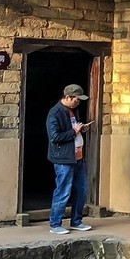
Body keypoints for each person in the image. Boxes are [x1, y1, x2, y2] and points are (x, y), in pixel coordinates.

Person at [47, 83, 93, 235]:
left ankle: (76, 221)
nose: (78, 102)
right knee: (63, 191)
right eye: (76, 99)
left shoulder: (73, 111)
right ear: (67, 97)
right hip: (64, 159)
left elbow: (74, 130)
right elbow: (55, 137)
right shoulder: (55, 113)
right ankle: (55, 224)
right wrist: (74, 131)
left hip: (78, 157)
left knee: (81, 190)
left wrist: (81, 129)